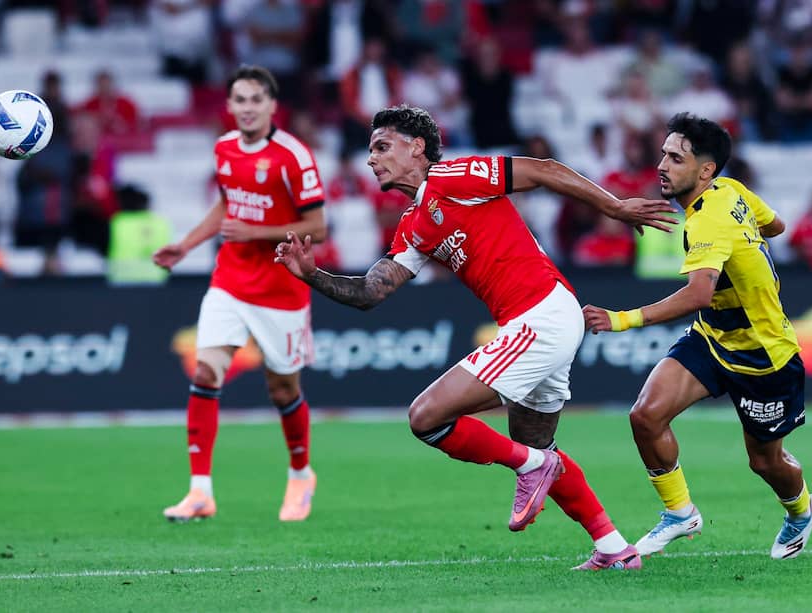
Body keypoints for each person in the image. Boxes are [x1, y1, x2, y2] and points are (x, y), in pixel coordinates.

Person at [275, 105, 676, 570]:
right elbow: (370, 292)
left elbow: (542, 170)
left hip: (540, 315)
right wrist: (311, 274)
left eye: (382, 147)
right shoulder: (414, 224)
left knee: (426, 417)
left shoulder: (454, 176)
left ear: (416, 147)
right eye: (370, 151)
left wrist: (614, 206)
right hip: (540, 319)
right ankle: (613, 548)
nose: (372, 160)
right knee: (537, 447)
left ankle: (533, 468)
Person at [583, 113, 812, 560]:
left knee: (765, 461)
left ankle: (801, 510)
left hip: (763, 352)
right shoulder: (732, 191)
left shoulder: (709, 218)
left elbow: (697, 294)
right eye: (663, 154)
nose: (662, 165)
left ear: (705, 170)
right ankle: (679, 514)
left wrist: (622, 320)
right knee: (646, 416)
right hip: (713, 337)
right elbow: (777, 227)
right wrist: (749, 245)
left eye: (676, 158)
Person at [153, 65, 327, 523]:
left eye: (256, 100)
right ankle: (199, 492)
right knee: (206, 373)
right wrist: (186, 245)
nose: (247, 108)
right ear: (228, 106)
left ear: (272, 105)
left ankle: (300, 473)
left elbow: (318, 227)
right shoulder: (224, 148)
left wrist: (257, 231)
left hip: (281, 287)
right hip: (229, 280)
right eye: (240, 100)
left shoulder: (293, 155)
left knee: (282, 387)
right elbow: (228, 203)